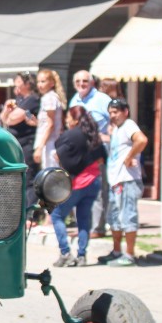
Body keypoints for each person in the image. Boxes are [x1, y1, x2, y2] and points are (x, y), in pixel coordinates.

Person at [51, 106, 107, 267]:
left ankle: (65, 253)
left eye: (68, 117)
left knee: (56, 215)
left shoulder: (69, 136)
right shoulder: (93, 135)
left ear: (75, 119)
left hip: (77, 183)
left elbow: (57, 154)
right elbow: (102, 159)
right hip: (94, 181)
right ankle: (82, 255)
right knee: (83, 219)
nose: (66, 120)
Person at [98, 98, 148, 266]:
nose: (113, 115)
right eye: (110, 112)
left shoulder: (129, 125)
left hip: (127, 180)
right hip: (115, 180)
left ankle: (130, 254)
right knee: (114, 218)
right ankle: (117, 251)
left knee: (128, 217)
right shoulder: (117, 129)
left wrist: (130, 157)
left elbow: (141, 140)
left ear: (125, 111)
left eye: (116, 112)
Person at [69, 70, 112, 238]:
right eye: (78, 81)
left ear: (92, 82)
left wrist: (108, 137)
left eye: (85, 81)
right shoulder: (75, 100)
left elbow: (115, 120)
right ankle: (83, 227)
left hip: (98, 152)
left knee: (99, 190)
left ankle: (97, 228)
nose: (81, 84)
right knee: (79, 188)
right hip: (79, 153)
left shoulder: (102, 99)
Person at [0, 72, 39, 210]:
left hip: (27, 142)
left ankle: (30, 210)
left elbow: (13, 119)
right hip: (17, 143)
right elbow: (4, 118)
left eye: (18, 81)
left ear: (27, 84)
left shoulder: (32, 99)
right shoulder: (20, 100)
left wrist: (11, 113)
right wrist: (6, 109)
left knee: (29, 177)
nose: (15, 83)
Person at [33, 69, 66, 169]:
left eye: (43, 81)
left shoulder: (49, 98)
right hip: (50, 142)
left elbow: (50, 125)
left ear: (51, 83)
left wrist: (40, 147)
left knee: (50, 175)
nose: (39, 85)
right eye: (38, 82)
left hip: (49, 144)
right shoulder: (51, 97)